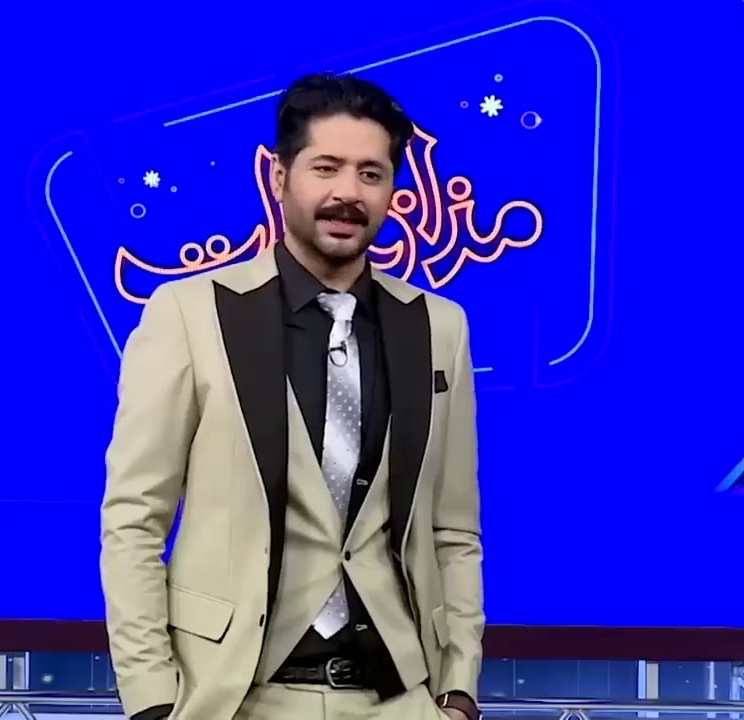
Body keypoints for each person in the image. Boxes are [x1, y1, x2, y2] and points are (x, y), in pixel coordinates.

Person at [99, 72, 483, 720]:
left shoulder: (439, 327)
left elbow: (454, 528)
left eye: (370, 174)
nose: (347, 193)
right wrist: (152, 701)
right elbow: (135, 518)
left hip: (401, 697)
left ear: (394, 189)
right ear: (280, 177)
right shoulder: (190, 313)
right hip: (237, 698)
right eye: (326, 168)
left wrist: (459, 689)